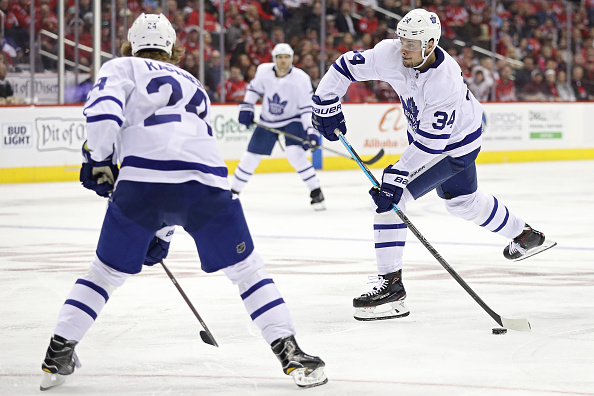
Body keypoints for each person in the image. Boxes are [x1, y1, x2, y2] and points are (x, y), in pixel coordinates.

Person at [39, 13, 327, 391]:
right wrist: (166, 231)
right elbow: (183, 161)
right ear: (173, 49)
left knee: (104, 274)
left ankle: (58, 353)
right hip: (205, 182)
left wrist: (99, 161)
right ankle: (290, 354)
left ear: (131, 44)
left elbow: (104, 112)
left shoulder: (122, 66)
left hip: (141, 181)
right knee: (248, 271)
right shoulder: (194, 84)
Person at [311, 9, 554, 321]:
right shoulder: (391, 53)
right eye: (402, 40)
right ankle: (524, 235)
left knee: (390, 202)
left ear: (430, 44)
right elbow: (345, 66)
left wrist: (395, 177)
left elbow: (430, 145)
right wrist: (325, 101)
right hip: (446, 141)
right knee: (463, 204)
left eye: (411, 43)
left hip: (450, 148)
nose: (403, 48)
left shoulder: (445, 80)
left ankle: (392, 289)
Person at [231, 43, 326, 211]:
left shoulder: (301, 78)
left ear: (291, 59)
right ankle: (232, 193)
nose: (283, 61)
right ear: (274, 59)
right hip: (268, 119)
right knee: (250, 157)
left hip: (293, 119)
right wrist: (246, 107)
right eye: (280, 57)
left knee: (295, 154)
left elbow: (306, 108)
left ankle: (316, 191)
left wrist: (310, 132)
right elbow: (253, 90)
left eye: (287, 57)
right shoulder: (263, 71)